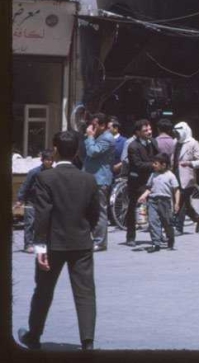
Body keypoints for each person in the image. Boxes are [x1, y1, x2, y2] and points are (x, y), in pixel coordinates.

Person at [17, 131, 99, 351]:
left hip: (52, 244)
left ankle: (34, 335)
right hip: (81, 243)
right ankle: (87, 341)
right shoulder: (89, 179)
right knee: (85, 292)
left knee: (43, 290)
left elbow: (42, 215)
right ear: (77, 151)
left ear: (55, 149)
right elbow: (95, 214)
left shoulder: (45, 178)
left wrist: (39, 246)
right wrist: (84, 231)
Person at [82, 113, 116, 252]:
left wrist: (90, 137)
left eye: (95, 125)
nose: (91, 128)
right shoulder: (97, 137)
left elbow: (93, 152)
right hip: (91, 177)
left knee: (100, 210)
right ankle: (90, 237)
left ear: (102, 125)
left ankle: (100, 242)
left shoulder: (107, 138)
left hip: (100, 179)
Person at [125, 119, 159, 247]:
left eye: (149, 129)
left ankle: (156, 235)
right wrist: (153, 166)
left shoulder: (153, 142)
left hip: (151, 180)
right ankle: (130, 236)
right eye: (145, 130)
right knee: (133, 207)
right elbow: (137, 164)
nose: (149, 132)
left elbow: (158, 156)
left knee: (155, 207)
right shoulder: (133, 146)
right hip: (137, 182)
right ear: (138, 132)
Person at [138, 153, 180, 253]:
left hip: (164, 202)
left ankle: (170, 238)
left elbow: (176, 190)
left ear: (163, 165)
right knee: (153, 222)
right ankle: (156, 243)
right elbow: (149, 188)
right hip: (153, 201)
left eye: (156, 163)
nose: (153, 165)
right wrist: (144, 196)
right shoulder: (153, 175)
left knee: (167, 223)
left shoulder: (170, 176)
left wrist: (176, 203)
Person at [14, 151, 55, 253]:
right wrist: (20, 199)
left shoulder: (54, 172)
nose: (49, 162)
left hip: (46, 201)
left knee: (46, 222)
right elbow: (25, 186)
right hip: (32, 200)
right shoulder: (34, 172)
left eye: (51, 160)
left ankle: (44, 243)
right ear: (42, 160)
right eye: (47, 160)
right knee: (30, 223)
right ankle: (28, 244)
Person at [172, 121, 199, 235]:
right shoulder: (175, 142)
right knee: (185, 203)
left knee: (181, 202)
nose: (176, 135)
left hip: (187, 178)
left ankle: (178, 228)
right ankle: (198, 218)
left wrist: (190, 163)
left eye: (178, 133)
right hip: (175, 175)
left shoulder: (193, 143)